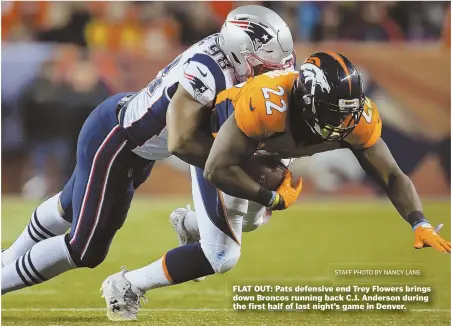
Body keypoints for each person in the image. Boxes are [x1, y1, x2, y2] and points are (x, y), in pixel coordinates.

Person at [103, 51, 451, 319]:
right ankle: (126, 284)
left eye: (348, 113)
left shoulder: (356, 117)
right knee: (221, 256)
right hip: (221, 143)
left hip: (267, 147)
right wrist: (273, 198)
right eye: (333, 113)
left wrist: (418, 221)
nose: (342, 124)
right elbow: (217, 167)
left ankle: (190, 223)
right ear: (306, 98)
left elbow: (391, 174)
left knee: (251, 221)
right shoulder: (265, 104)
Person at [1, 4, 295, 310]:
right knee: (85, 249)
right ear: (239, 53)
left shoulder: (264, 62)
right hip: (118, 141)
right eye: (262, 67)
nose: (273, 74)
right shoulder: (207, 70)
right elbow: (183, 143)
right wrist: (244, 169)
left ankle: (7, 258)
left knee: (69, 205)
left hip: (138, 144)